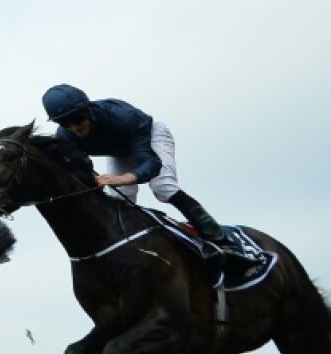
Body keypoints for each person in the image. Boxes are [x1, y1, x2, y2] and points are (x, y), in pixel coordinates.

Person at [42, 84, 258, 268]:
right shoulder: (66, 136)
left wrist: (124, 178)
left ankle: (223, 242)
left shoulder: (123, 116)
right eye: (66, 123)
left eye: (78, 119)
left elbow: (151, 163)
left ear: (88, 109)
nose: (74, 127)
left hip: (149, 139)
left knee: (163, 188)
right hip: (120, 150)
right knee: (117, 200)